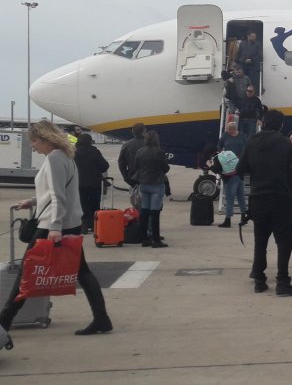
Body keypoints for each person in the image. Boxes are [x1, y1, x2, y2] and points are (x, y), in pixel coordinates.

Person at [0, 120, 113, 344]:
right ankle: (102, 318)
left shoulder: (53, 159)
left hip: (52, 224)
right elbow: (58, 192)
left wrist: (54, 227)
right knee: (83, 272)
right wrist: (33, 201)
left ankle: (4, 321)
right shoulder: (66, 156)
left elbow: (58, 196)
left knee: (26, 271)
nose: (33, 146)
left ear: (45, 139)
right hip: (69, 222)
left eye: (34, 141)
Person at [237, 109, 292, 296]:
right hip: (280, 199)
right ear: (281, 125)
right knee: (283, 243)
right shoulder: (285, 143)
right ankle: (282, 282)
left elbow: (241, 168)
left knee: (260, 241)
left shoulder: (251, 141)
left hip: (258, 198)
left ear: (263, 123)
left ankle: (259, 280)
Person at [130, 130, 171, 248]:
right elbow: (166, 168)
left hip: (144, 184)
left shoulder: (139, 151)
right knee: (155, 213)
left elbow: (135, 167)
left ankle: (145, 239)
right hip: (157, 184)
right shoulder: (160, 152)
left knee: (144, 211)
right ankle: (156, 240)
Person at [210, 123, 247, 228]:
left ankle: (228, 220)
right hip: (233, 165)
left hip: (234, 169)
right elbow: (219, 144)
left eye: (230, 130)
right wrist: (221, 152)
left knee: (230, 196)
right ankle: (243, 216)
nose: (228, 132)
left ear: (234, 129)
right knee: (240, 194)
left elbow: (247, 147)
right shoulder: (225, 135)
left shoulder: (242, 136)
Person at [73, 132, 109, 233]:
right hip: (94, 183)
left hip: (78, 184)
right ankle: (94, 226)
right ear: (90, 141)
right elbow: (105, 166)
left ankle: (83, 226)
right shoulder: (94, 151)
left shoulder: (73, 152)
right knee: (94, 205)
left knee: (82, 205)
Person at [117, 122, 146, 187]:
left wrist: (126, 178)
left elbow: (121, 164)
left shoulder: (126, 145)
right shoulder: (152, 144)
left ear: (132, 131)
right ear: (144, 131)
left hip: (133, 179)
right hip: (149, 180)